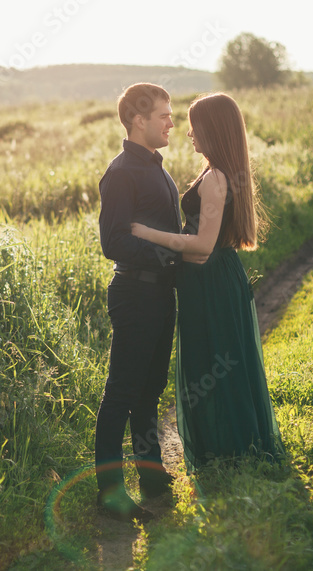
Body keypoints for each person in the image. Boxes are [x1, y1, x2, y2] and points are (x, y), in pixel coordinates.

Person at [131, 92, 284, 471]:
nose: (187, 133)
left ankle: (228, 454)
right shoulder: (217, 171)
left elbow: (202, 245)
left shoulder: (215, 178)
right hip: (212, 279)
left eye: (194, 125)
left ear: (212, 129)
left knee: (213, 365)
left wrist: (147, 233)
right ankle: (230, 450)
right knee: (217, 364)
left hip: (211, 282)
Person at [95, 82, 186, 522]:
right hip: (134, 293)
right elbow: (112, 242)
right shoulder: (121, 173)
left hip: (159, 293)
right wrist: (167, 256)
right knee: (121, 394)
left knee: (149, 391)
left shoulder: (157, 166)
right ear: (138, 119)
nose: (172, 122)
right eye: (165, 115)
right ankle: (110, 495)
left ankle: (151, 477)